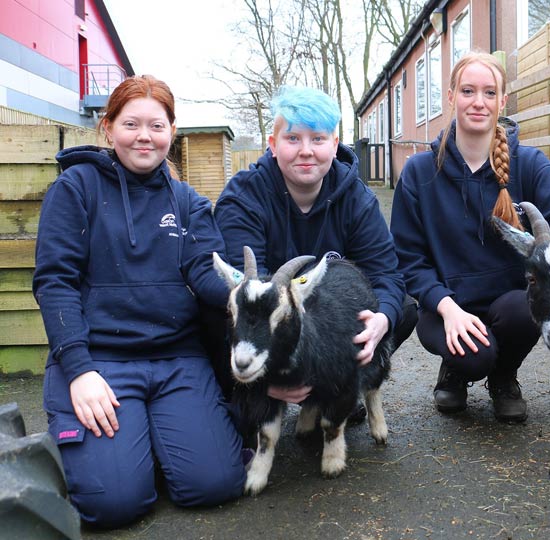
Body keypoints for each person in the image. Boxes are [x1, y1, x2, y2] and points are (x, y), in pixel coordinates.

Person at [33, 75, 245, 528]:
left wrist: (247, 292)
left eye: (157, 125)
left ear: (172, 130)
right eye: (131, 124)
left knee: (217, 484)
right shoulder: (75, 189)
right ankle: (109, 453)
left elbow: (205, 270)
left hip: (176, 357)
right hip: (101, 362)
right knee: (113, 505)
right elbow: (55, 282)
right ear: (108, 128)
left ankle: (148, 443)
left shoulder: (187, 200)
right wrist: (78, 368)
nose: (144, 136)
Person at [389, 52, 550, 423]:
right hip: (446, 307)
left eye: (489, 93)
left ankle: (505, 376)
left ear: (502, 101)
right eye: (468, 91)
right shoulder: (419, 172)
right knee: (476, 358)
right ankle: (456, 371)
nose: (478, 102)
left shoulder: (529, 163)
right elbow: (408, 259)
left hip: (509, 302)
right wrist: (446, 307)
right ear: (451, 97)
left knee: (530, 308)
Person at [214, 85, 416, 410]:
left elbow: (386, 275)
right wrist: (263, 381)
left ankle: (338, 386)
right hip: (270, 326)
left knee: (401, 309)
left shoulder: (358, 200)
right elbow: (245, 298)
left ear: (335, 145)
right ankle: (264, 387)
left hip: (325, 319)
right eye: (293, 139)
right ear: (273, 145)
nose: (306, 151)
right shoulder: (243, 200)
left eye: (318, 139)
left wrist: (382, 319)